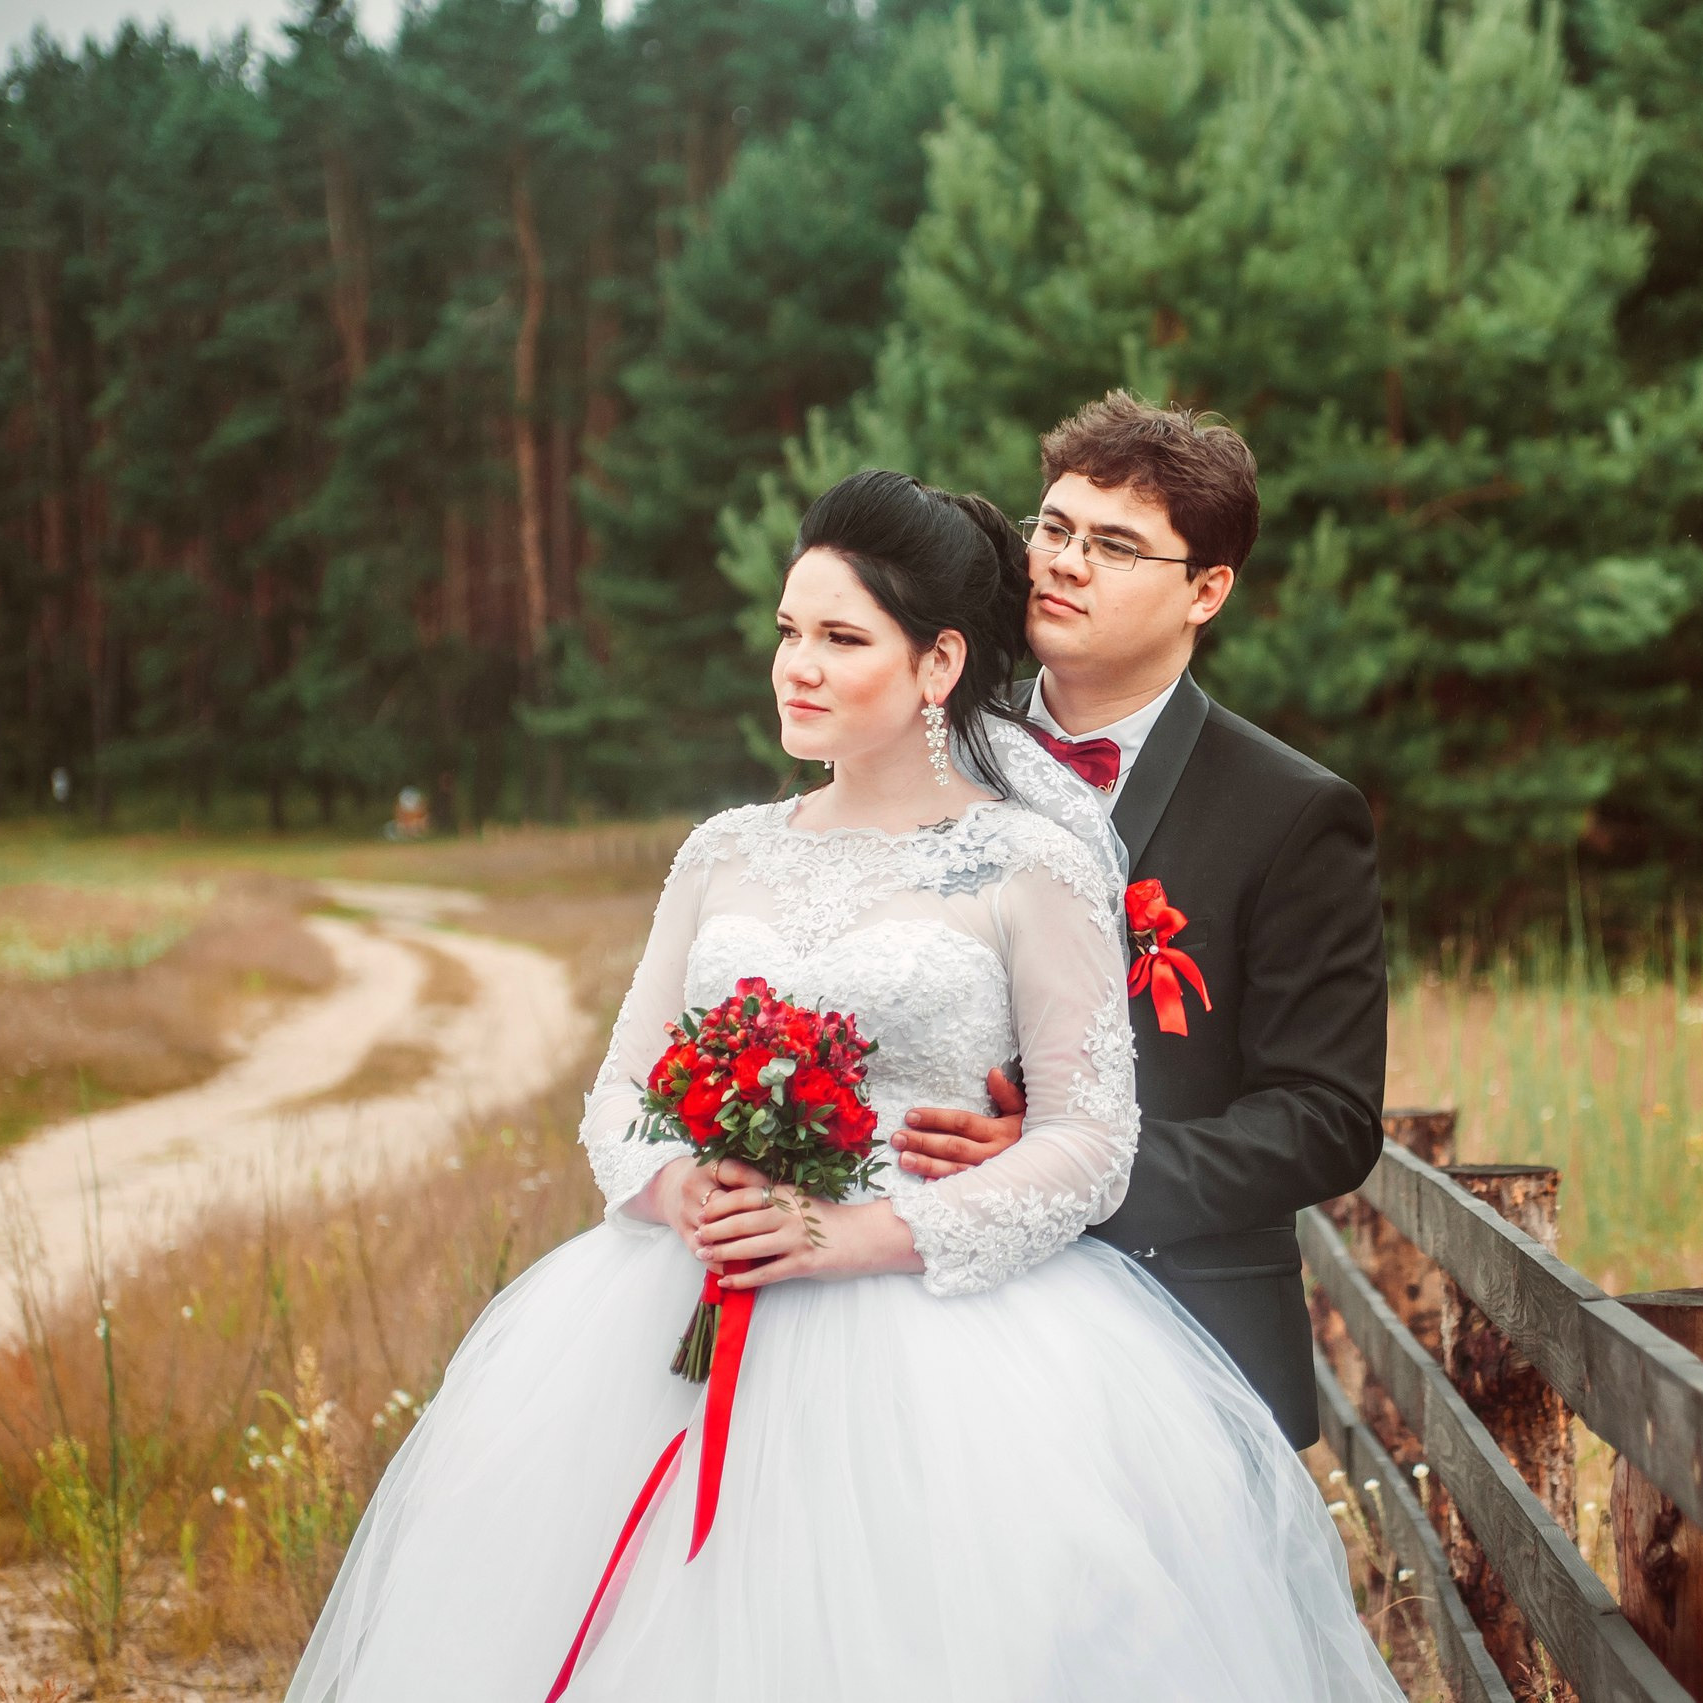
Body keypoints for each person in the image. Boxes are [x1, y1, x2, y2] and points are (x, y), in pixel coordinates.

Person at [286, 469, 1400, 1702]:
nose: (795, 667)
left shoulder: (1028, 859)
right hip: (680, 1300)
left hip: (938, 1327)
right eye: (786, 631)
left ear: (935, 668)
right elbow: (617, 1092)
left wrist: (861, 1230)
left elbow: (1088, 1138)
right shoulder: (724, 849)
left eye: (838, 637)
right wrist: (676, 1185)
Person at [892, 392, 1388, 1449]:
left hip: (1180, 1342)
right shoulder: (926, 754)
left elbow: (1323, 1115)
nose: (1063, 562)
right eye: (1055, 528)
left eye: (1114, 546)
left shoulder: (1292, 812)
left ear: (1206, 590)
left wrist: (1064, 1175)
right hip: (918, 1324)